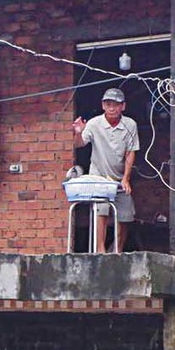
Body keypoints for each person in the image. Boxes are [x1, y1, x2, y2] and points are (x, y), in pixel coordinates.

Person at [71, 88, 138, 252]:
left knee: (126, 216)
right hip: (99, 177)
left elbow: (131, 152)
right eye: (108, 104)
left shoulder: (130, 125)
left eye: (116, 105)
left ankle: (116, 250)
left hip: (119, 178)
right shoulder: (94, 123)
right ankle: (100, 251)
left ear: (123, 106)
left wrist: (126, 178)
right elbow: (79, 144)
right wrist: (78, 132)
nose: (112, 108)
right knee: (101, 210)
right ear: (103, 105)